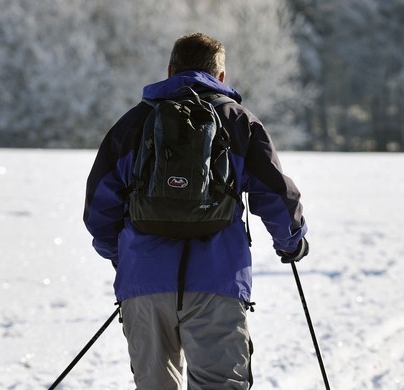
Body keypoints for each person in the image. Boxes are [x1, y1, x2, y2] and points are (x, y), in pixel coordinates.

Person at [83, 32, 309, 389]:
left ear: (170, 70)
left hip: (144, 282)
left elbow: (99, 208)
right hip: (218, 280)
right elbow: (275, 193)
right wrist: (291, 241)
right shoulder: (239, 122)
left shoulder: (133, 124)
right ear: (220, 77)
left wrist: (122, 256)